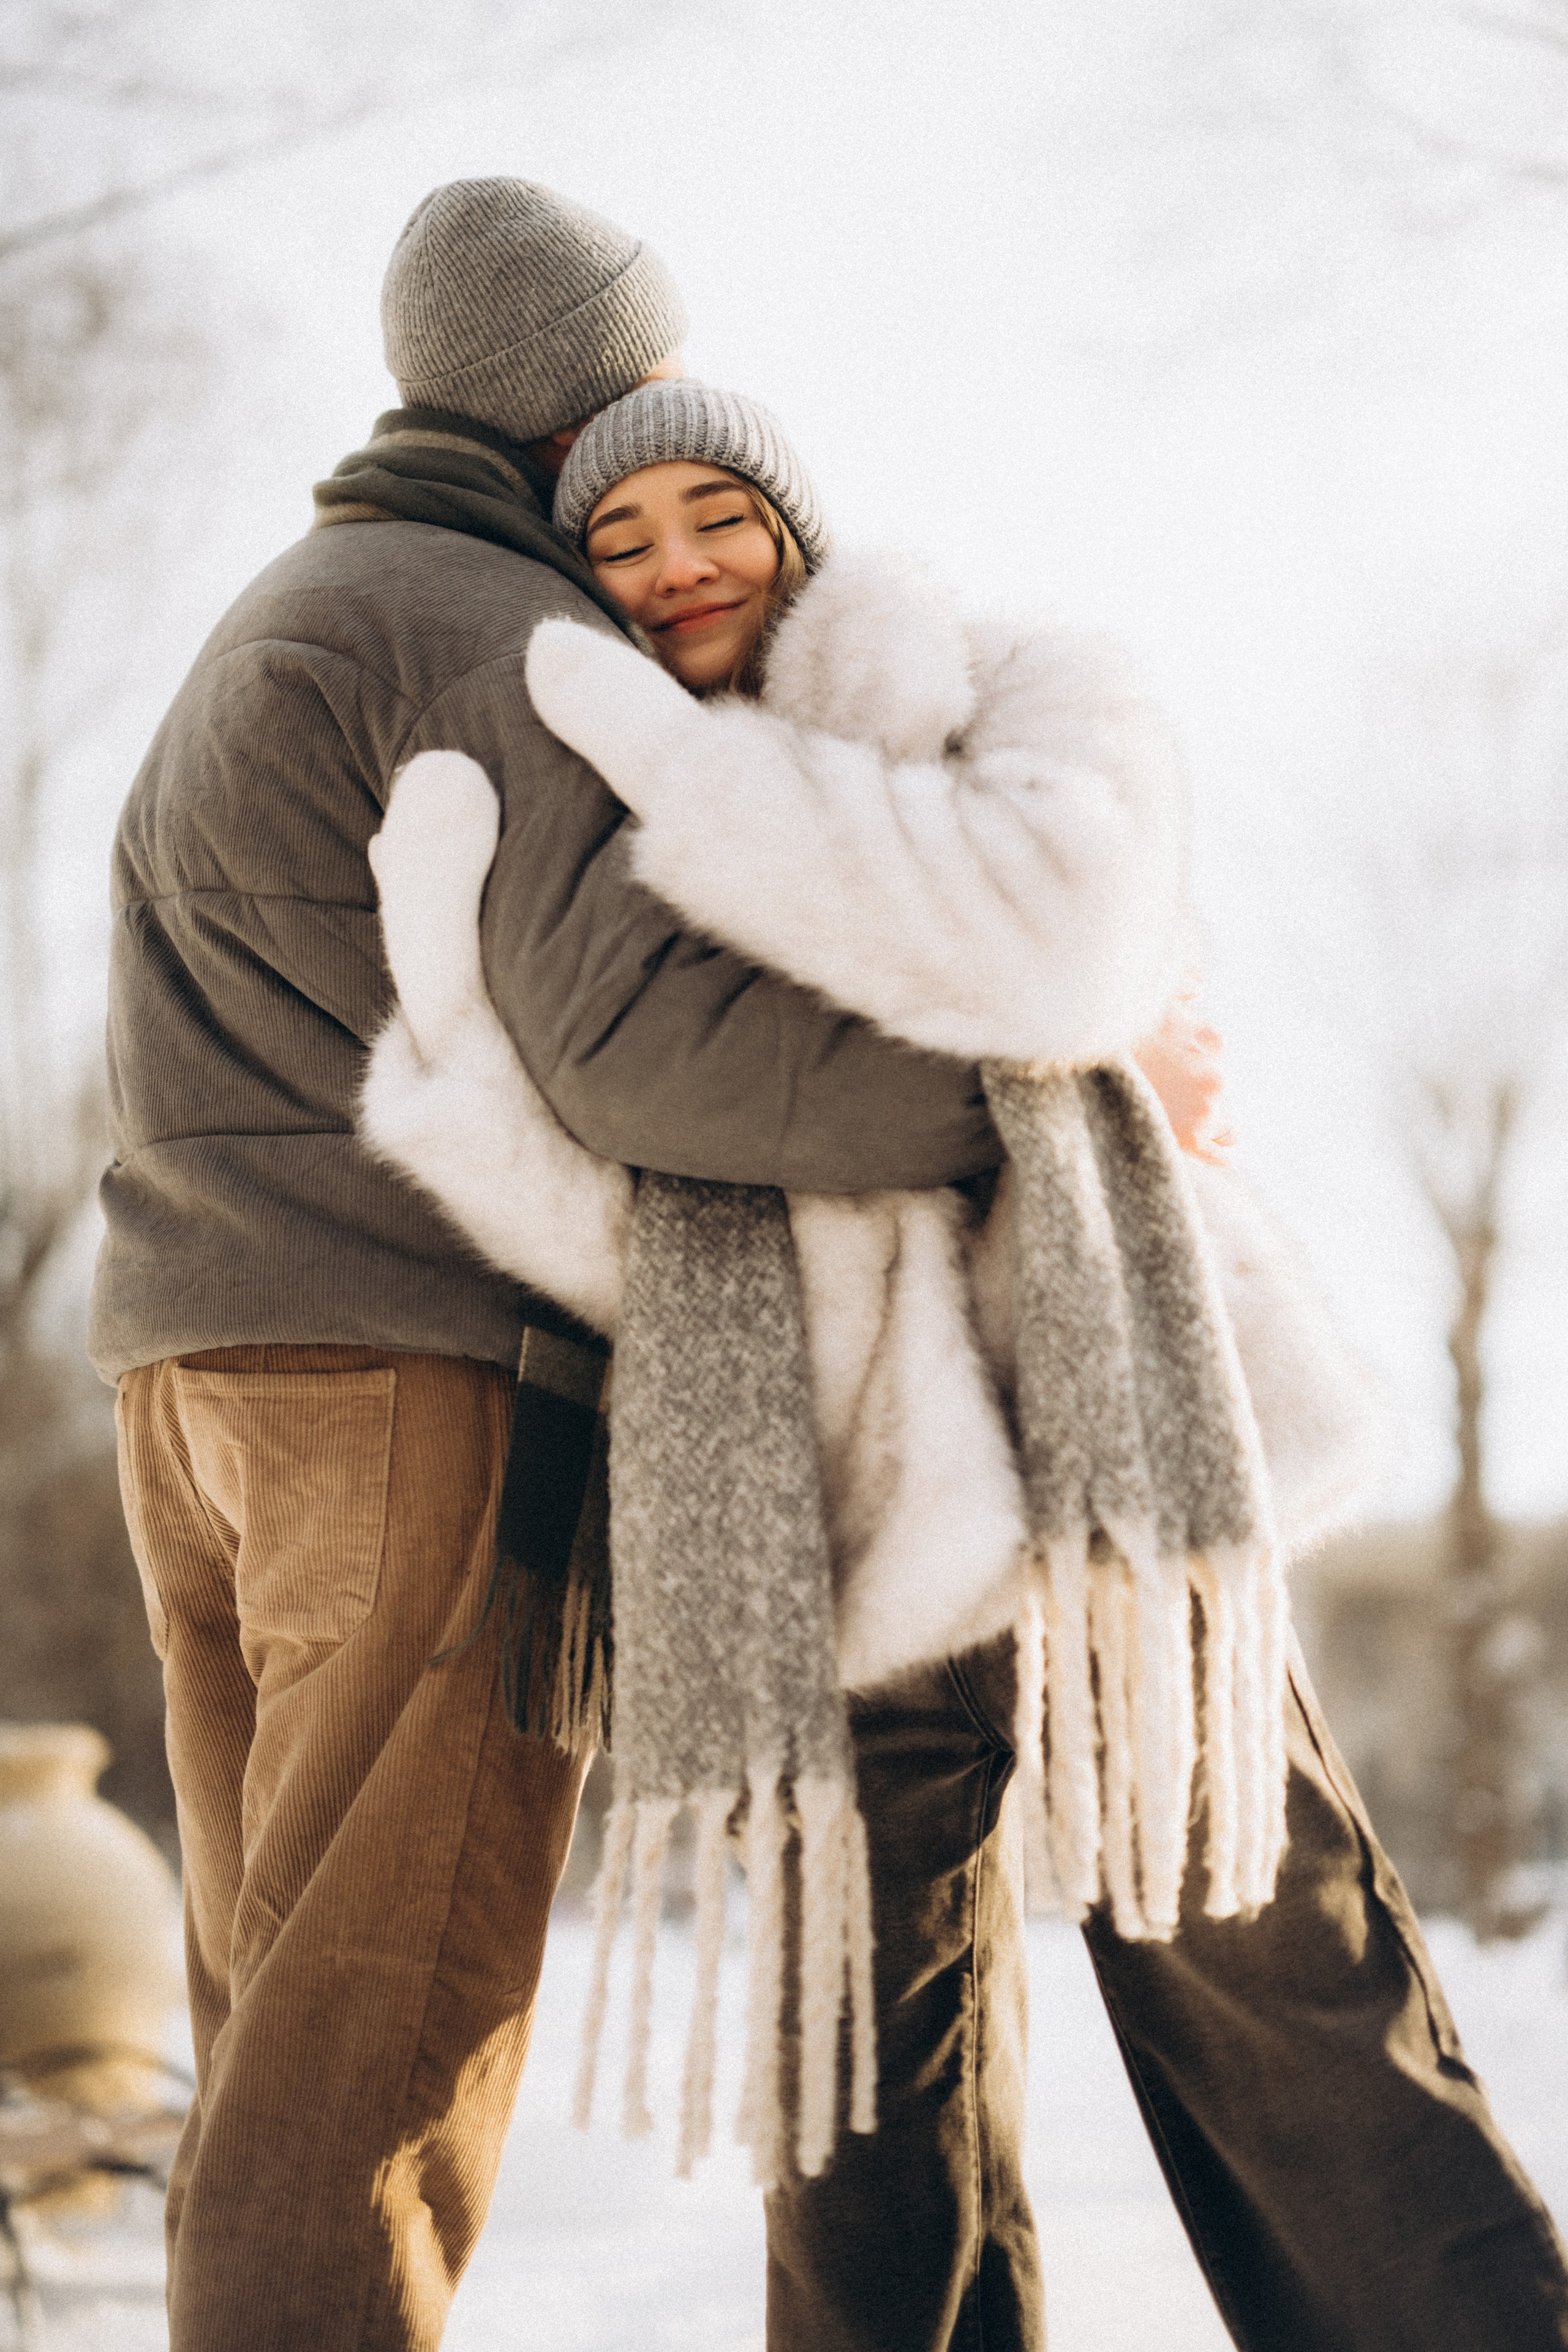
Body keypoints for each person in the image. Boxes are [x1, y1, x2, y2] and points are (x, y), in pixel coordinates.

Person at [363, 379, 1568, 2352]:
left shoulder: (1022, 684)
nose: (673, 569)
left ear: (797, 517)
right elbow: (626, 1203)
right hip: (824, 1520)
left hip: (1110, 1479)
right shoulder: (601, 827)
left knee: (1284, 1995)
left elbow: (1063, 959)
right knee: (858, 2080)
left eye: (712, 513)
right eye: (622, 542)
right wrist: (448, 1020)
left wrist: (684, 772)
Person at [97, 179, 1019, 2352]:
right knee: (377, 2038)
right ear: (595, 402)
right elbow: (646, 1054)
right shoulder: (479, 625)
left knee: (278, 2023)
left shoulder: (291, 601)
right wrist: (1038, 1093)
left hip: (194, 1371)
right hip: (405, 1385)